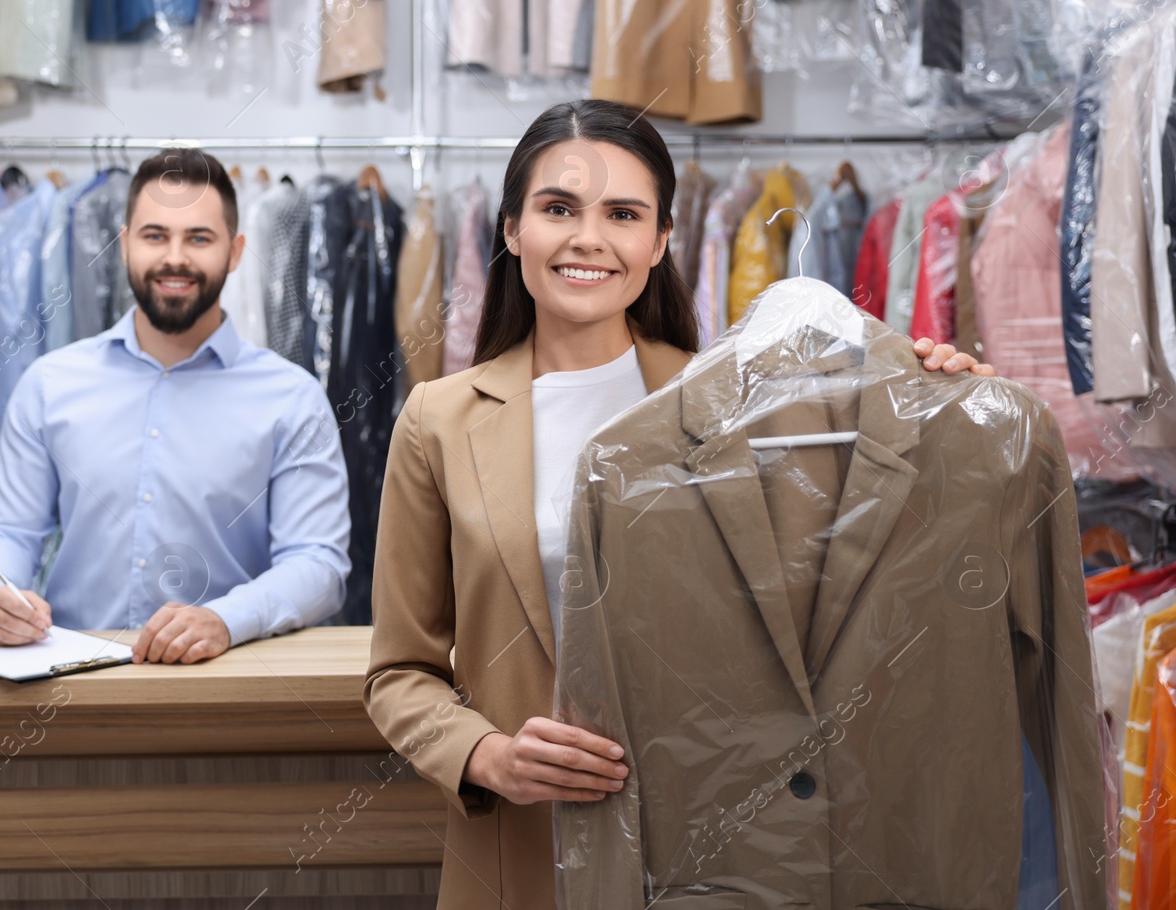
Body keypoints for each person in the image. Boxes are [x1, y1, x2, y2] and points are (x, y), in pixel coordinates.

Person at [363, 100, 995, 908]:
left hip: (714, 844)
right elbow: (400, 671)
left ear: (660, 240)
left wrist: (941, 404)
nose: (588, 238)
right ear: (513, 227)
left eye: (622, 214)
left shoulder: (746, 399)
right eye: (559, 209)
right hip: (525, 853)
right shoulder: (439, 420)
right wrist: (486, 755)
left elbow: (849, 588)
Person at [0, 148, 352, 664]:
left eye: (199, 238)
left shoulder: (293, 399)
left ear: (235, 252)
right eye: (155, 235)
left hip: (228, 685)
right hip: (70, 685)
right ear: (124, 246)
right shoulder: (50, 386)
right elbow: (6, 530)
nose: (175, 258)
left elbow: (318, 563)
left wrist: (226, 619)